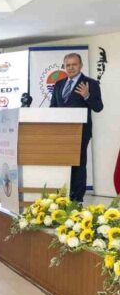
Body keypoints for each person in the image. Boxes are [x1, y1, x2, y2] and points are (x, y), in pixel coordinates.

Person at [50, 52, 104, 201]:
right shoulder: (59, 84)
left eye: (74, 64)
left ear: (81, 66)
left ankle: (77, 198)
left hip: (80, 132)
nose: (71, 67)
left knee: (78, 164)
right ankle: (63, 196)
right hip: (61, 132)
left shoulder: (90, 83)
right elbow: (53, 107)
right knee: (63, 164)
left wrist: (87, 96)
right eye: (68, 65)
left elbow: (98, 107)